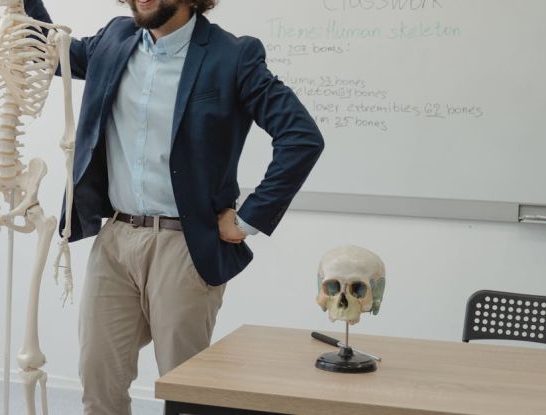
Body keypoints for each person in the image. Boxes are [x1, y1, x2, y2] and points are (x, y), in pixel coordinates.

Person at [24, 0, 324, 413]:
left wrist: (249, 218)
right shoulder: (114, 38)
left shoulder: (232, 55)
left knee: (185, 392)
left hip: (184, 245)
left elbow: (301, 136)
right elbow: (47, 50)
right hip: (116, 239)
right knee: (98, 379)